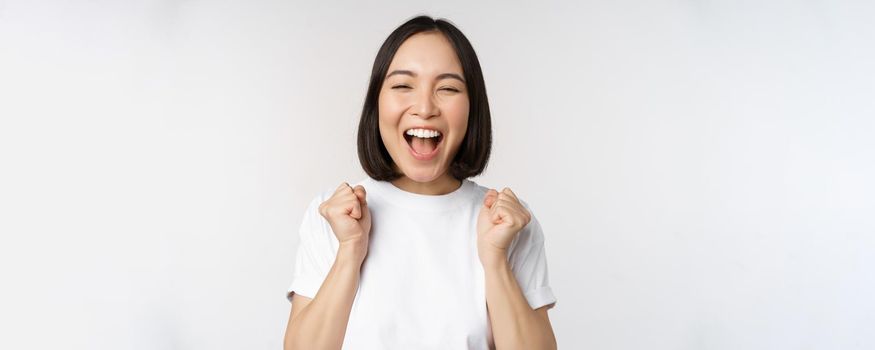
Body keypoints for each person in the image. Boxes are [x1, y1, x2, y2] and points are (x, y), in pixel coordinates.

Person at [283, 15, 557, 350]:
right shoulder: (332, 215)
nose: (425, 108)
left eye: (448, 89)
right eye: (402, 86)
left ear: (473, 108)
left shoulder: (509, 222)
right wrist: (350, 252)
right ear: (376, 103)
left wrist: (496, 259)